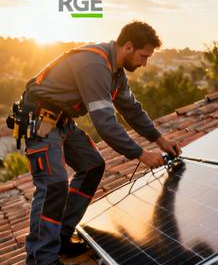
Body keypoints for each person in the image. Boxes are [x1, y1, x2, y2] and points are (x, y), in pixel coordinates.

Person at [16, 21, 181, 265]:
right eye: (143, 56)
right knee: (54, 184)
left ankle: (60, 237)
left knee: (93, 165)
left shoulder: (117, 74)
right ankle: (41, 256)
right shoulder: (95, 65)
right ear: (128, 46)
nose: (145, 63)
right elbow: (105, 124)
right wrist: (141, 154)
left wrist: (160, 139)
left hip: (62, 122)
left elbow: (132, 110)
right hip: (39, 121)